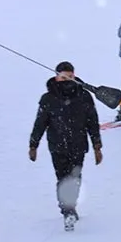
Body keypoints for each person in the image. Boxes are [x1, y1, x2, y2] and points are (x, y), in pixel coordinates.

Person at [29, 62, 103, 231]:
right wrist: (33, 144)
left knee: (75, 178)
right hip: (57, 145)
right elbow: (40, 123)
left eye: (69, 76)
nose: (66, 80)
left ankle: (71, 206)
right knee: (62, 179)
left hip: (78, 144)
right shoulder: (48, 98)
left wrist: (97, 146)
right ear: (56, 76)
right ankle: (67, 210)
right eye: (63, 76)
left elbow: (92, 121)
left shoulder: (84, 96)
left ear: (74, 75)